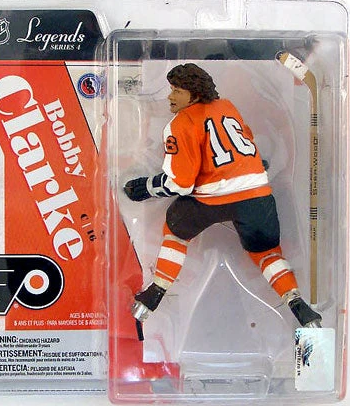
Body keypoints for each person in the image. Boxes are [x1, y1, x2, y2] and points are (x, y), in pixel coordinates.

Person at [124, 63, 322, 329]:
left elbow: (180, 184)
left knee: (175, 230)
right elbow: (245, 140)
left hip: (213, 199)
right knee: (267, 252)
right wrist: (252, 166)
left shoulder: (180, 124)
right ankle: (298, 305)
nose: (170, 96)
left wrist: (146, 187)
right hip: (256, 193)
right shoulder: (227, 106)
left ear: (194, 94)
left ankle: (154, 294)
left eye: (176, 91)